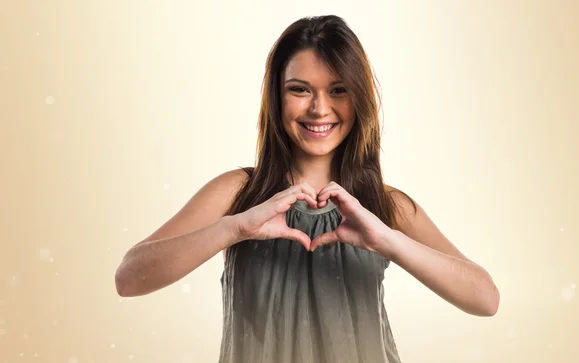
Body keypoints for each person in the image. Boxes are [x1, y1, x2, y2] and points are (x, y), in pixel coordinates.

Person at [114, 14, 500, 363]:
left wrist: (388, 240)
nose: (319, 108)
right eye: (300, 89)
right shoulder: (237, 193)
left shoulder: (387, 205)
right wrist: (234, 228)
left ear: (359, 98)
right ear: (276, 97)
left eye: (338, 90)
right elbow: (129, 277)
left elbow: (485, 299)